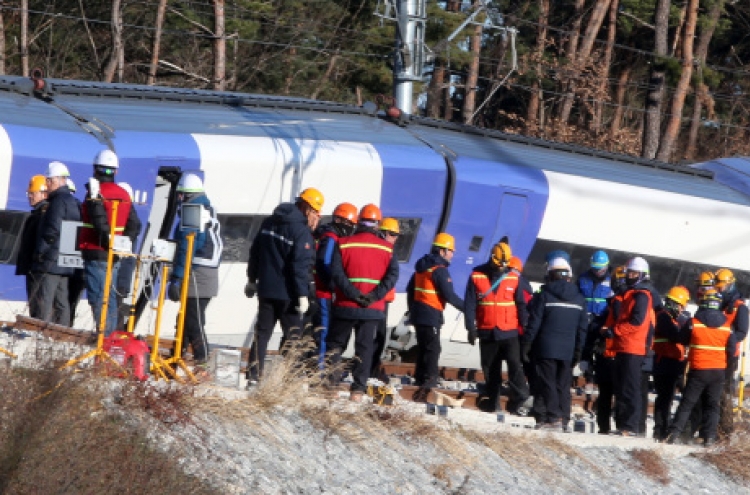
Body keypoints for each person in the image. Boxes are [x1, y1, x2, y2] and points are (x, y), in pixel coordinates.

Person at [245, 187, 323, 384]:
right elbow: (299, 267)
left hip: (266, 290)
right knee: (294, 338)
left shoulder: (269, 222)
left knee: (261, 334)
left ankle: (253, 376)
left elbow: (255, 253)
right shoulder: (301, 232)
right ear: (306, 208)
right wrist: (303, 295)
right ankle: (290, 380)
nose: (317, 218)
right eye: (316, 212)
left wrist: (252, 279)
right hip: (288, 295)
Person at [326, 204, 399, 401]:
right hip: (372, 309)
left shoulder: (344, 243)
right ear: (377, 225)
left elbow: (337, 274)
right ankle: (357, 391)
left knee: (336, 346)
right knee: (364, 349)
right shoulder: (387, 249)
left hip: (345, 306)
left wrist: (353, 294)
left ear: (359, 221)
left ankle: (331, 388)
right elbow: (392, 276)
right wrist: (374, 296)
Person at [78, 150, 141, 335]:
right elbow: (135, 224)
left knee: (99, 297)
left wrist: (107, 241)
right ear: (116, 171)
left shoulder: (95, 193)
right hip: (114, 255)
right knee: (110, 297)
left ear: (95, 169)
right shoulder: (124, 194)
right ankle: (113, 338)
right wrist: (123, 243)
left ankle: (105, 340)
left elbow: (99, 221)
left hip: (95, 250)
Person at [464, 241, 530, 414]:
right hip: (487, 331)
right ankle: (494, 401)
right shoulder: (476, 276)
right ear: (493, 259)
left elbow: (521, 305)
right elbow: (470, 304)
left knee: (514, 365)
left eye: (505, 263)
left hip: (509, 331)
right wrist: (470, 328)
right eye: (500, 263)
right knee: (490, 369)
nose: (502, 267)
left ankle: (521, 397)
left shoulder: (514, 278)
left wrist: (526, 327)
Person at [522, 257, 587, 430]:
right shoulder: (580, 299)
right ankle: (564, 418)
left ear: (550, 274)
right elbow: (582, 329)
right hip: (568, 349)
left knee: (547, 382)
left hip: (546, 348)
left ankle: (553, 418)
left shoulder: (544, 295)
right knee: (563, 385)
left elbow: (534, 323)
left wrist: (527, 344)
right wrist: (579, 351)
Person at [167, 174, 222, 368]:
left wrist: (177, 277)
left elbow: (187, 246)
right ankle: (175, 358)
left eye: (180, 194)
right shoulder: (206, 207)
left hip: (199, 274)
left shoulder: (193, 210)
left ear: (186, 194)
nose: (179, 198)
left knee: (192, 319)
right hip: (206, 272)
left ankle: (202, 360)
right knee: (185, 317)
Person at [667, 289, 733, 447]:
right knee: (712, 405)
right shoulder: (726, 325)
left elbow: (681, 339)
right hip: (717, 371)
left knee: (687, 403)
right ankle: (709, 437)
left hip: (698, 369)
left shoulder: (694, 322)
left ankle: (674, 434)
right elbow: (731, 350)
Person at [406, 232, 464, 401]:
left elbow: (411, 290)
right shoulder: (439, 271)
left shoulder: (421, 268)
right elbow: (450, 295)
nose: (452, 254)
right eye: (450, 251)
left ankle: (419, 377)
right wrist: (469, 309)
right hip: (431, 313)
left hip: (418, 312)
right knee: (433, 348)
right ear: (442, 251)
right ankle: (430, 380)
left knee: (424, 346)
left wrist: (412, 309)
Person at [609, 256, 655, 437]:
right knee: (621, 387)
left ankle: (631, 426)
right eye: (629, 272)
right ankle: (623, 425)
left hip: (633, 347)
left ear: (642, 275)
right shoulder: (630, 294)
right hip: (624, 346)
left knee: (630, 387)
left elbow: (637, 322)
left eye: (634, 273)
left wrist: (616, 330)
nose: (629, 275)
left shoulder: (642, 295)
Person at [33, 162, 81, 325]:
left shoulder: (58, 202)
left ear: (61, 180)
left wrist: (40, 252)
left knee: (45, 299)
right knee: (62, 302)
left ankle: (42, 332)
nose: (47, 184)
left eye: (50, 181)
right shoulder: (73, 202)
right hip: (66, 261)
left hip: (51, 259)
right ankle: (63, 334)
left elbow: (52, 230)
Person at [583, 264, 627, 434]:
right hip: (614, 354)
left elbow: (598, 328)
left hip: (611, 354)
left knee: (607, 394)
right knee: (615, 393)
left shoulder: (612, 304)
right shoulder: (624, 303)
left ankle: (607, 427)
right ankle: (617, 427)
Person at [312, 202, 358, 365]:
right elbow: (324, 262)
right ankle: (321, 370)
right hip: (323, 292)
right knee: (324, 331)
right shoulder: (331, 237)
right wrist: (333, 285)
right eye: (351, 224)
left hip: (315, 289)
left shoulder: (320, 234)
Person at [651, 286, 691, 441]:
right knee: (665, 398)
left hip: (673, 362)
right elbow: (676, 336)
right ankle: (660, 430)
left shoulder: (670, 318)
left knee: (671, 398)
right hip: (665, 363)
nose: (681, 310)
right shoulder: (663, 317)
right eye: (681, 306)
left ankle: (667, 429)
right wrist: (687, 327)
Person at [576, 250, 614, 411]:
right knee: (585, 350)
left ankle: (598, 380)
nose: (598, 271)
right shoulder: (583, 278)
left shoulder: (613, 280)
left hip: (603, 320)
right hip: (586, 319)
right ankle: (588, 378)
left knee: (600, 351)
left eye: (601, 268)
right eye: (595, 268)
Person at [714, 268, 748, 434]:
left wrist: (727, 340)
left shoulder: (739, 307)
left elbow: (741, 332)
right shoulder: (719, 304)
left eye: (721, 286)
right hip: (714, 353)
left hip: (729, 355)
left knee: (724, 392)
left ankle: (725, 430)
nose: (718, 289)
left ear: (729, 284)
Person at [371, 217, 401, 380]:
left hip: (382, 299)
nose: (395, 239)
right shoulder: (384, 251)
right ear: (384, 233)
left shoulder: (386, 250)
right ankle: (370, 369)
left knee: (378, 336)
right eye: (393, 234)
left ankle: (372, 368)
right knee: (376, 336)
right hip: (378, 299)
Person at [16, 175, 48, 318]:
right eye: (29, 193)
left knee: (38, 301)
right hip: (32, 265)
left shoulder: (43, 215)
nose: (30, 196)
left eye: (33, 193)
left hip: (36, 266)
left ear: (43, 193)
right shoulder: (36, 214)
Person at [115, 182, 138, 329]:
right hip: (121, 276)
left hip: (120, 277)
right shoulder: (131, 221)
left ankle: (116, 338)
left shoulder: (128, 222)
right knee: (116, 308)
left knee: (115, 309)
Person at [66, 178, 86, 327]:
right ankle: (69, 325)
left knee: (65, 300)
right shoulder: (82, 210)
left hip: (68, 267)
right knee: (72, 302)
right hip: (80, 265)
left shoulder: (66, 210)